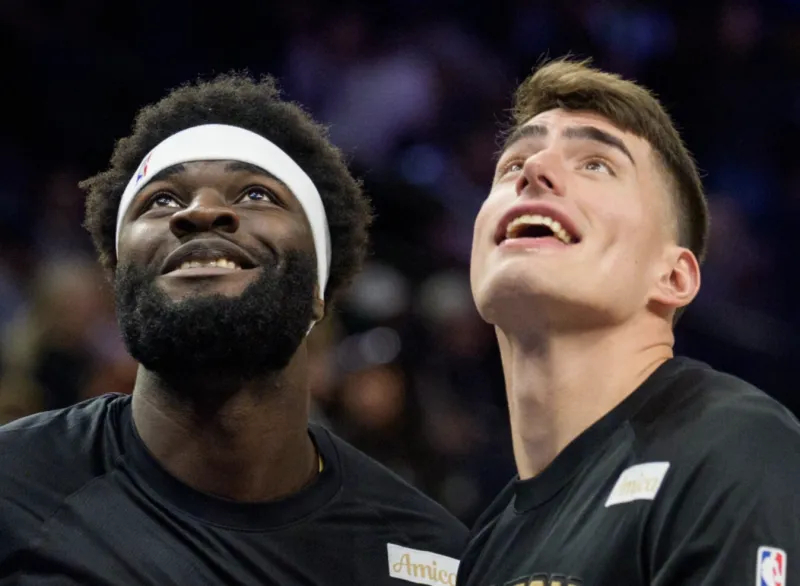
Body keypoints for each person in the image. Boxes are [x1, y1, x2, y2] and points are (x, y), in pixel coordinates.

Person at [0, 73, 467, 585]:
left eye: (255, 194)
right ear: (119, 279)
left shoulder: (433, 560)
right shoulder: (14, 489)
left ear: (320, 286)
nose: (201, 211)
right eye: (161, 200)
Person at [457, 57, 800, 586]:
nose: (533, 170)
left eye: (596, 164)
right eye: (512, 163)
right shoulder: (487, 544)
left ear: (674, 276)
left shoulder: (733, 445)